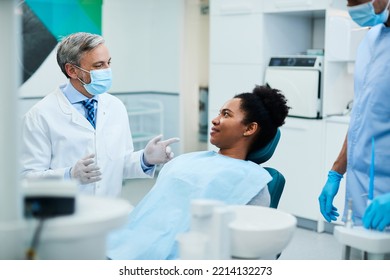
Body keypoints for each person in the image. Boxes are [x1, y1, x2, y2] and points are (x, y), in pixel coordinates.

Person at [106, 85, 290, 260]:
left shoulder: (252, 182)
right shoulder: (186, 160)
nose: (215, 119)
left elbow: (249, 247)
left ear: (249, 128)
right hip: (127, 245)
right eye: (219, 112)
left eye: (226, 114)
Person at [20, 32, 179, 197]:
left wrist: (145, 159)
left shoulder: (116, 107)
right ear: (72, 70)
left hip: (108, 212)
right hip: (65, 217)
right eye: (98, 65)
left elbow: (118, 164)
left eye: (108, 63)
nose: (107, 70)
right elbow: (26, 178)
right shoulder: (39, 116)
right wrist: (69, 175)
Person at [319, 0, 390, 232]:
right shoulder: (370, 39)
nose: (353, 6)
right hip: (361, 187)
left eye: (359, 1)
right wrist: (336, 171)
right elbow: (362, 115)